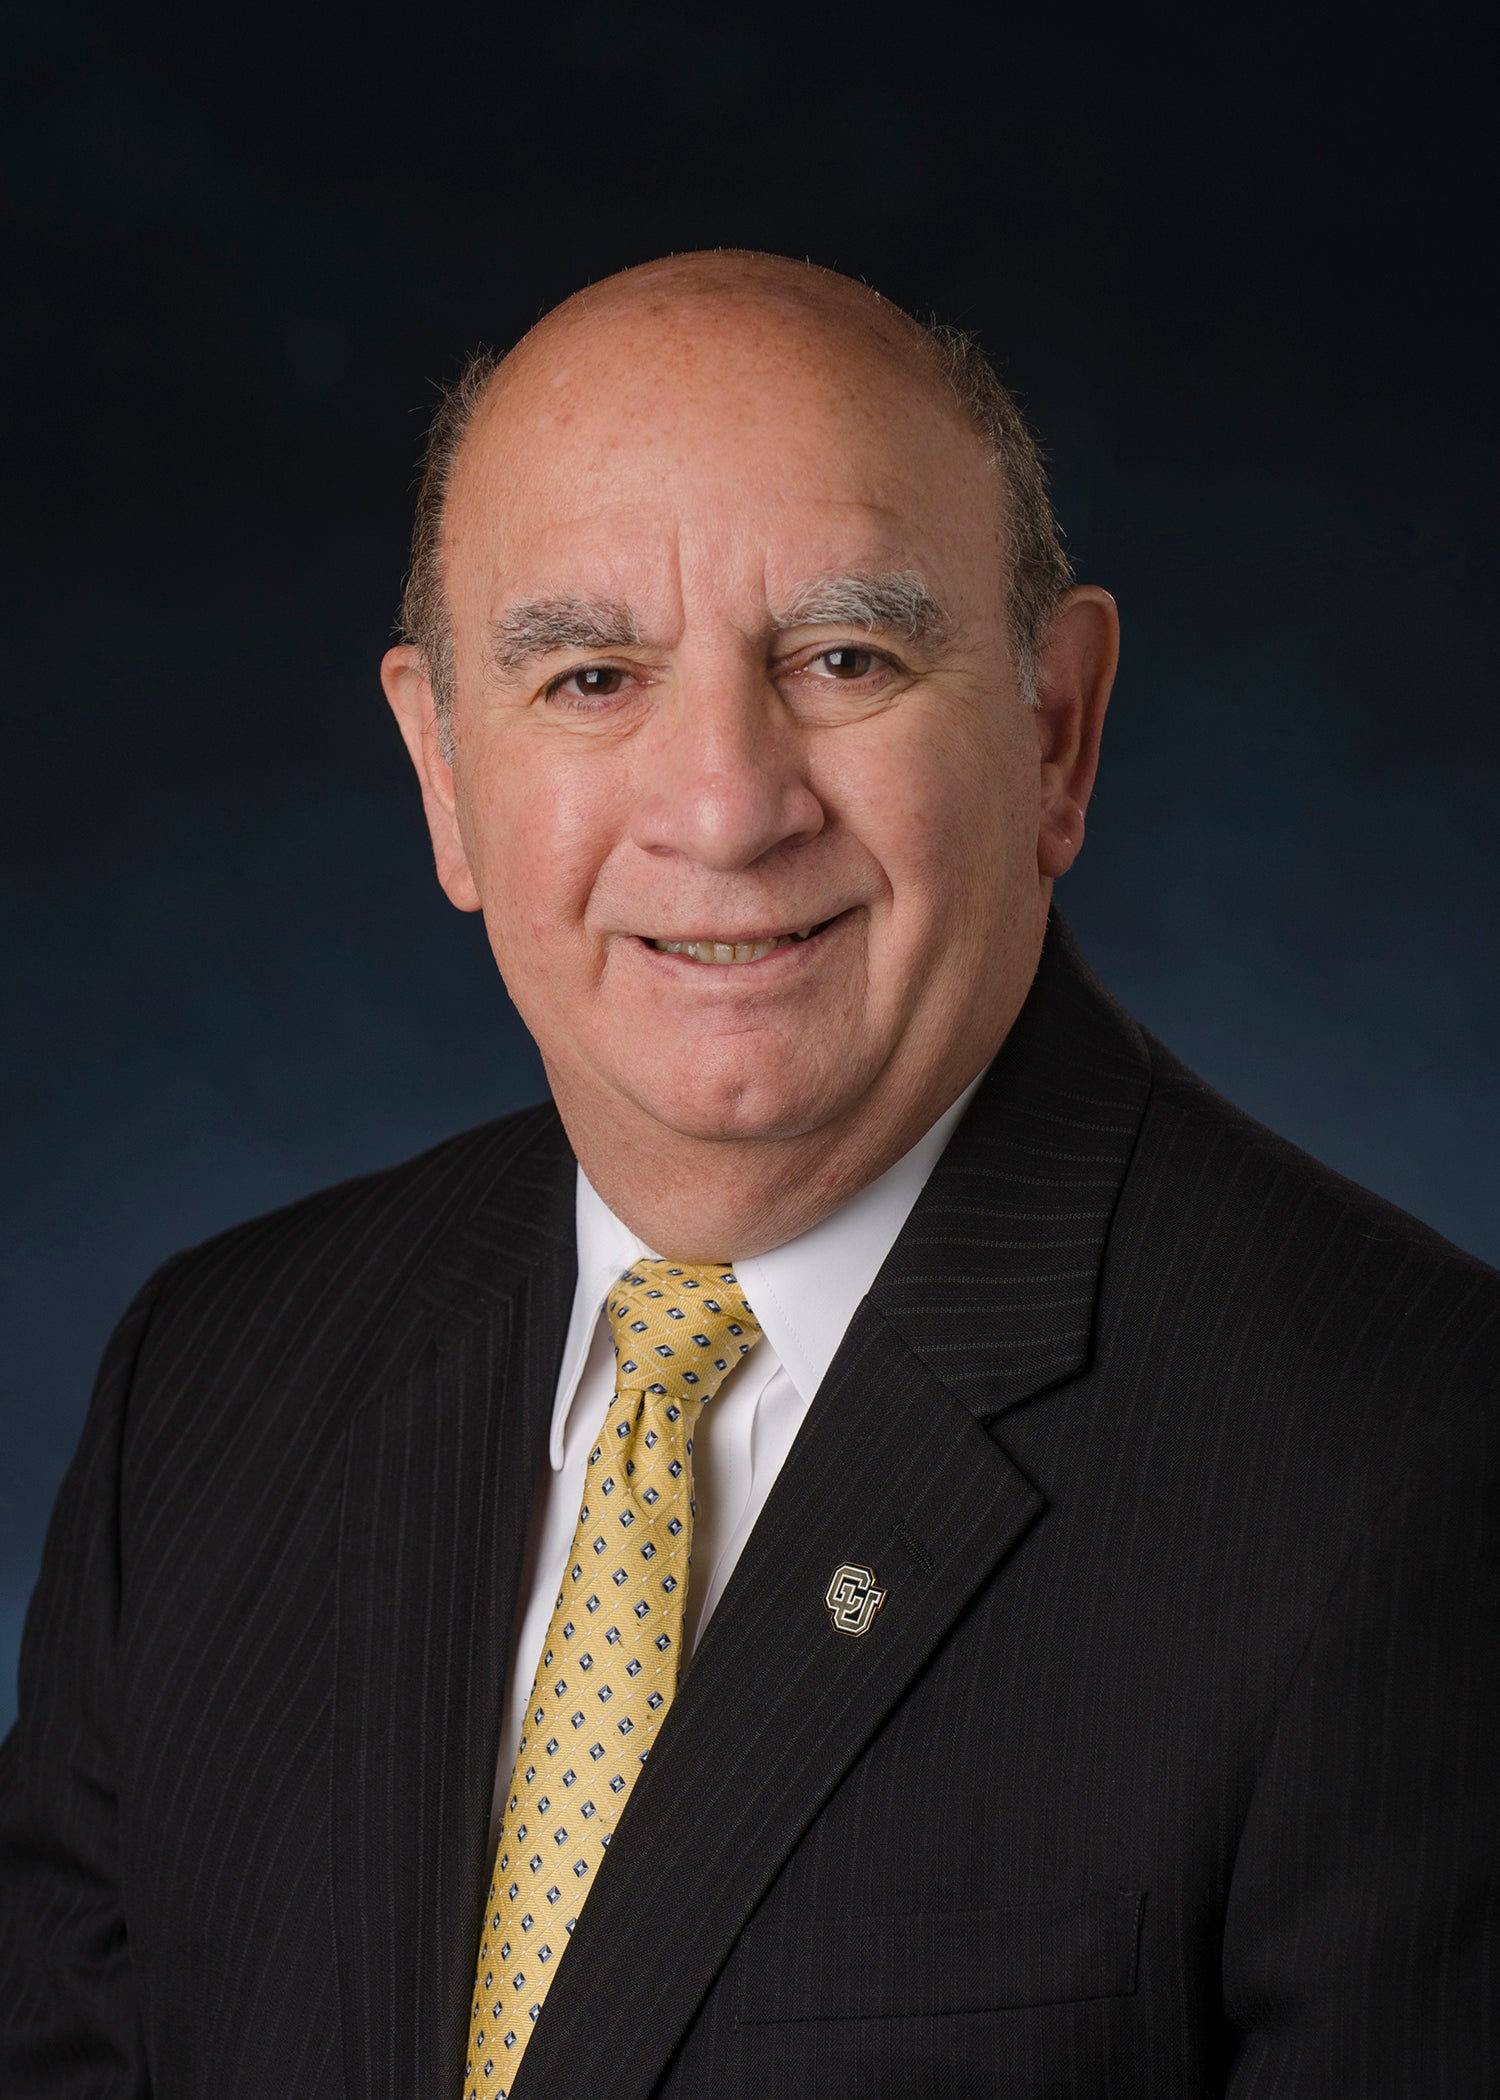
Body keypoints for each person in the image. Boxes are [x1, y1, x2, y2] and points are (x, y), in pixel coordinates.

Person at [1, 251, 1494, 2100]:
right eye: (590, 673)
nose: (724, 804)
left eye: (845, 658)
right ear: (445, 772)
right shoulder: (211, 1390)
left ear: (1055, 733)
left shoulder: (1418, 1458)